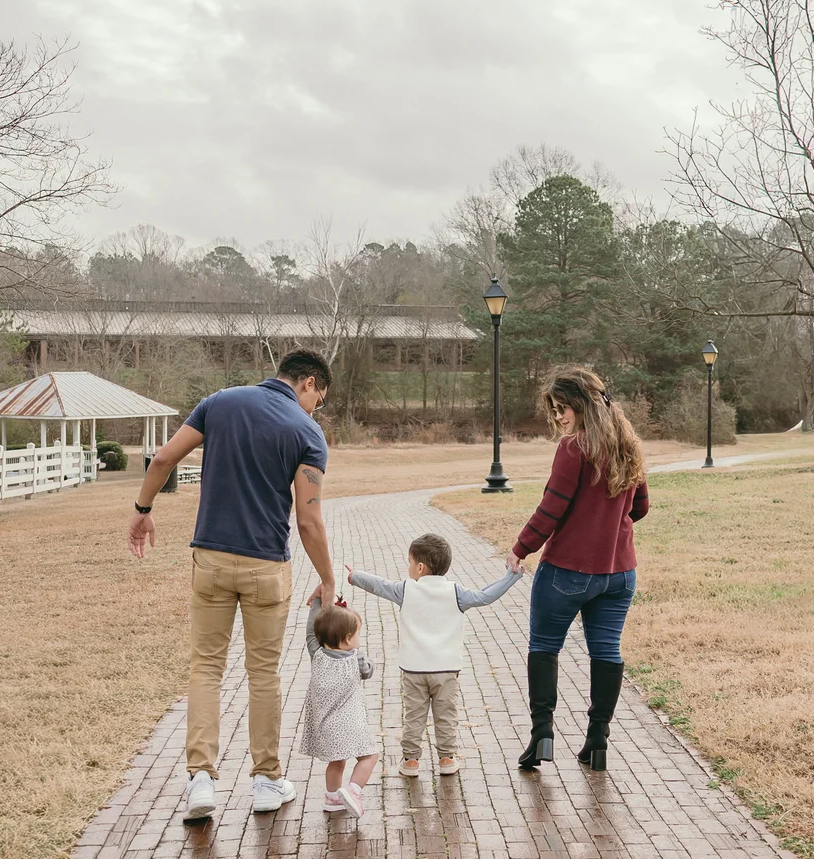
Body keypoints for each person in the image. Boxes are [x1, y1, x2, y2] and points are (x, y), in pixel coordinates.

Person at [127, 349, 336, 823]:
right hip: (266, 565)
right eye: (318, 398)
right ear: (307, 383)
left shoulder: (219, 402)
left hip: (212, 559)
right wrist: (326, 576)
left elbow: (162, 459)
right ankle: (266, 780)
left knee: (205, 668)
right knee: (263, 673)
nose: (315, 408)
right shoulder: (306, 432)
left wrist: (142, 512)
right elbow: (308, 519)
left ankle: (200, 779)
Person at [505, 365, 648, 773]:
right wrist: (607, 529)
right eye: (554, 410)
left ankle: (542, 735)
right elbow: (640, 507)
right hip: (619, 575)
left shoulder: (574, 448)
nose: (559, 417)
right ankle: (597, 740)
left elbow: (552, 507)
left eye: (563, 408)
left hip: (567, 573)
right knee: (606, 650)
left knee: (544, 647)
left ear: (583, 404)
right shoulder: (628, 443)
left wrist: (521, 548)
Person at [345, 532, 520, 777]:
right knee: (446, 716)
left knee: (414, 717)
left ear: (419, 566)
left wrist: (354, 577)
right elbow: (485, 596)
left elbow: (378, 585)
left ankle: (411, 762)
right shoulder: (456, 592)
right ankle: (447, 759)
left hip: (414, 670)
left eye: (409, 562)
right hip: (447, 671)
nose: (407, 567)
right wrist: (511, 578)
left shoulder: (406, 590)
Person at [296, 600, 378, 816]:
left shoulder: (317, 655)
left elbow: (310, 633)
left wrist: (316, 604)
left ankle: (332, 798)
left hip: (326, 727)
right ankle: (353, 790)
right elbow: (368, 671)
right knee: (369, 757)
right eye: (358, 634)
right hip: (350, 724)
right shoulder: (356, 659)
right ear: (349, 638)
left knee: (336, 762)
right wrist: (364, 658)